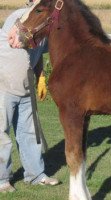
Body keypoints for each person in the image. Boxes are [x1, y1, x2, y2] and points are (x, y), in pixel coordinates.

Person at [0, 0, 59, 193]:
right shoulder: (20, 18)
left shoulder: (40, 25)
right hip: (3, 85)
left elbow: (38, 52)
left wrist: (41, 75)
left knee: (30, 134)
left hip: (26, 90)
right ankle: (2, 180)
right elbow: (18, 39)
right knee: (1, 134)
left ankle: (35, 175)